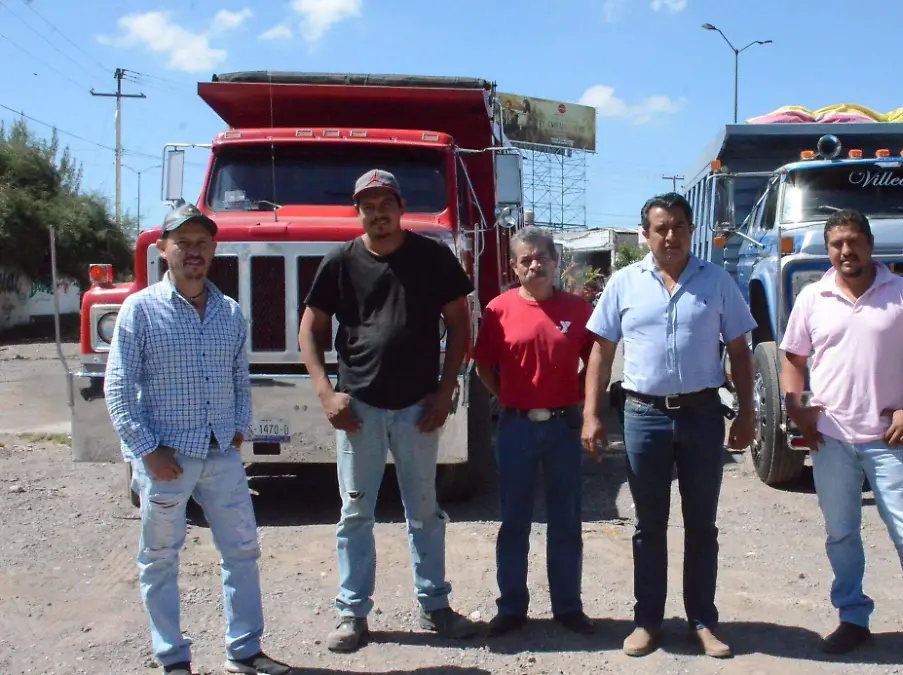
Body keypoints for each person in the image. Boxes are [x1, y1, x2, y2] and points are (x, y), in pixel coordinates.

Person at [105, 204, 291, 675]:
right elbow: (118, 388)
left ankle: (245, 652)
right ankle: (173, 659)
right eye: (183, 242)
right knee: (160, 560)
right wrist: (147, 451)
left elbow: (238, 376)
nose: (194, 251)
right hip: (168, 459)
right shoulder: (139, 311)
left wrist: (239, 431)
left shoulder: (229, 312)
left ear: (214, 249)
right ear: (163, 249)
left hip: (221, 457)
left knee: (243, 553)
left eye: (202, 243)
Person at [298, 169, 477, 651]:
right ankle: (352, 614)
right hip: (359, 408)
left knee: (424, 511)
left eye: (385, 204)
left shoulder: (432, 258)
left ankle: (435, 604)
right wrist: (325, 393)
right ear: (358, 211)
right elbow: (311, 329)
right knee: (355, 512)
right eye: (367, 205)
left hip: (419, 407)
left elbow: (460, 325)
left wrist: (445, 391)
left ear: (401, 207)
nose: (377, 213)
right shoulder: (339, 262)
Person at [778, 209, 903, 672]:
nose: (846, 252)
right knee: (841, 535)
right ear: (828, 249)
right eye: (837, 244)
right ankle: (853, 619)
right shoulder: (812, 297)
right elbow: (794, 359)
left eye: (854, 242)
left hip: (887, 439)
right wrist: (798, 409)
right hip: (830, 440)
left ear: (870, 244)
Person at [582, 192, 757, 659]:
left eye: (679, 225)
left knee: (702, 525)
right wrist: (592, 413)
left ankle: (702, 620)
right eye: (661, 227)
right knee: (648, 526)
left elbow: (740, 352)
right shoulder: (623, 283)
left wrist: (748, 412)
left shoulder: (717, 282)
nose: (671, 235)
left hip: (702, 417)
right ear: (646, 234)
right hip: (643, 417)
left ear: (691, 229)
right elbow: (600, 351)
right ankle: (648, 621)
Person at [474, 226, 597, 637]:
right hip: (516, 428)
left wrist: (582, 401)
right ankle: (511, 607)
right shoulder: (497, 310)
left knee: (566, 519)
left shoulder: (578, 311)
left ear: (555, 261)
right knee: (514, 520)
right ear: (514, 266)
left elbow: (596, 360)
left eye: (541, 257)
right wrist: (510, 396)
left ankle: (568, 606)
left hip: (564, 426)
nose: (534, 264)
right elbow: (483, 367)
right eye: (525, 259)